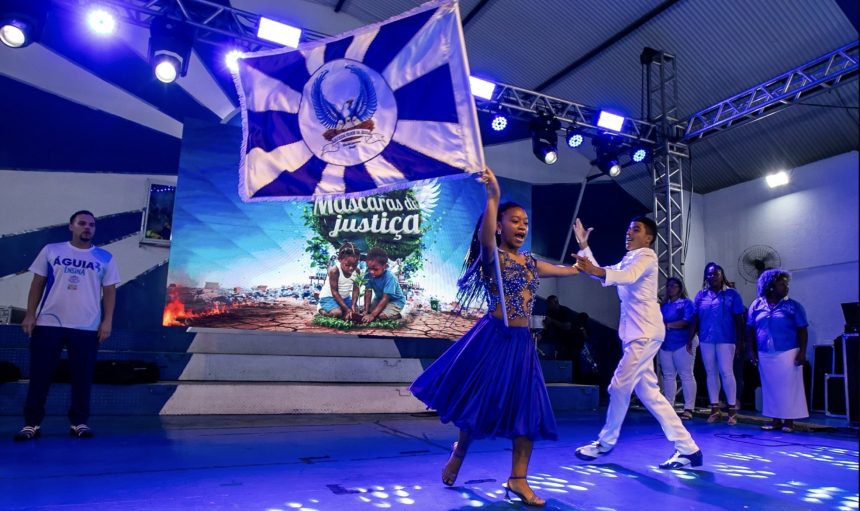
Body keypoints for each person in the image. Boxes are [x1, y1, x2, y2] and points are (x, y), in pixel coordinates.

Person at [410, 167, 580, 507]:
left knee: (528, 409)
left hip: (522, 345)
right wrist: (493, 196)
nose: (522, 226)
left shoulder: (531, 262)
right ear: (500, 225)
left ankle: (518, 479)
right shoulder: (493, 258)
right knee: (478, 405)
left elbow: (571, 270)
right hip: (494, 339)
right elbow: (485, 239)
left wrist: (584, 254)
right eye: (514, 220)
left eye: (525, 222)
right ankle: (460, 452)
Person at [572, 217, 702, 469]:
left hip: (644, 333)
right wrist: (584, 246)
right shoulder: (629, 259)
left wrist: (597, 271)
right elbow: (602, 273)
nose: (629, 232)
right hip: (635, 334)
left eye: (636, 229)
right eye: (629, 228)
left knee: (619, 386)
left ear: (648, 238)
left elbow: (626, 276)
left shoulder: (647, 257)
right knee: (650, 395)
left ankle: (605, 443)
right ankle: (689, 449)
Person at [14, 210, 120, 441]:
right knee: (40, 375)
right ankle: (31, 423)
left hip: (87, 327)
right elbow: (37, 283)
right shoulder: (52, 250)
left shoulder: (105, 257)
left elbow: (110, 291)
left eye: (91, 224)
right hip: (48, 323)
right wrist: (30, 314)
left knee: (82, 377)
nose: (87, 227)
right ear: (71, 226)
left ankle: (79, 422)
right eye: (82, 223)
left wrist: (107, 320)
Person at [748, 269, 809, 433]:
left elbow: (802, 330)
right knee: (770, 387)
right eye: (782, 284)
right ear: (770, 286)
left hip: (788, 351)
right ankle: (775, 419)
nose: (786, 287)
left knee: (788, 387)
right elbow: (750, 329)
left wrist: (802, 352)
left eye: (786, 284)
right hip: (764, 351)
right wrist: (751, 350)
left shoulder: (793, 306)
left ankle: (789, 421)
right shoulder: (757, 305)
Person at [689, 262, 745, 425]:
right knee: (711, 373)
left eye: (716, 273)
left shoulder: (732, 294)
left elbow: (739, 320)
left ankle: (732, 410)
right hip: (706, 339)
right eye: (709, 274)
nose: (712, 276)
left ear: (722, 275)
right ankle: (715, 409)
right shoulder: (701, 295)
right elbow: (695, 319)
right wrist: (690, 338)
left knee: (726, 372)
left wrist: (740, 342)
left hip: (726, 339)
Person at [659, 277, 697, 420]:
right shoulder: (663, 305)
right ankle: (669, 406)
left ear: (680, 288)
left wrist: (668, 326)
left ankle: (689, 408)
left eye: (674, 286)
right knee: (668, 376)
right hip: (666, 344)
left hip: (683, 343)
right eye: (669, 286)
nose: (671, 288)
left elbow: (687, 321)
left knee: (686, 375)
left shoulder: (686, 303)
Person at [361, 247, 406, 323]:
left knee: (380, 316)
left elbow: (385, 298)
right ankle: (377, 311)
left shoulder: (389, 277)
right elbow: (368, 292)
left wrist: (372, 315)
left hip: (395, 301)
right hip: (379, 299)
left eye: (375, 269)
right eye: (369, 268)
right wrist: (366, 310)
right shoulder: (368, 273)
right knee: (369, 311)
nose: (371, 272)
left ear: (385, 266)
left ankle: (397, 315)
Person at [318, 242, 360, 320]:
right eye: (347, 265)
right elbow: (334, 292)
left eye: (354, 265)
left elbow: (355, 289)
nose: (351, 268)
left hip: (345, 298)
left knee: (356, 312)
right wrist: (347, 309)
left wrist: (353, 304)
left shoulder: (357, 271)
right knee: (337, 313)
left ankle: (343, 311)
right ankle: (321, 309)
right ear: (340, 260)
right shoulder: (334, 271)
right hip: (329, 297)